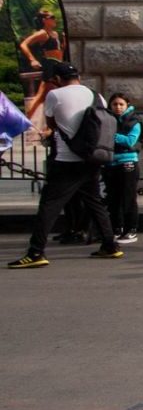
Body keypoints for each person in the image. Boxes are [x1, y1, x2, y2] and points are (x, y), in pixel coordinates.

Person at [8, 62, 123, 268]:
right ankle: (109, 245)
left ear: (58, 80)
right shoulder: (96, 95)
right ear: (77, 76)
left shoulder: (55, 95)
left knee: (49, 206)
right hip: (92, 157)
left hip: (67, 159)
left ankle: (36, 252)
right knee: (94, 201)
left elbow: (52, 123)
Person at [103, 93, 142, 244]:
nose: (118, 107)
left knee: (128, 197)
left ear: (127, 105)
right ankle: (116, 228)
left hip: (128, 162)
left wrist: (113, 136)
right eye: (114, 104)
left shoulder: (134, 121)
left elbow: (131, 141)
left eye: (121, 104)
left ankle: (130, 229)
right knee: (113, 198)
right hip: (111, 162)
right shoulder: (108, 119)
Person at [17, 8, 65, 123]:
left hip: (58, 65)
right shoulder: (42, 33)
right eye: (52, 17)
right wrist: (32, 59)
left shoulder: (55, 34)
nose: (55, 19)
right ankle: (22, 122)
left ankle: (48, 126)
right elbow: (24, 44)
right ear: (44, 20)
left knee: (48, 97)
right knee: (40, 97)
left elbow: (60, 51)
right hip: (50, 65)